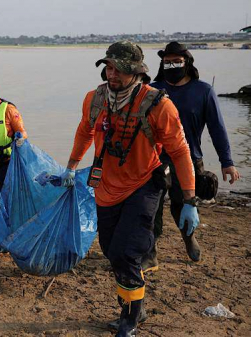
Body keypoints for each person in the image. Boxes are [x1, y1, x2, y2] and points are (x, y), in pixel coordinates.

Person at [62, 41, 198, 336]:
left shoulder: (158, 105)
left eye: (120, 69)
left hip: (144, 185)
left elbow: (180, 151)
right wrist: (71, 167)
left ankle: (130, 319)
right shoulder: (94, 99)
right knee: (112, 251)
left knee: (126, 252)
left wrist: (189, 199)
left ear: (136, 71)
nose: (112, 75)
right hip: (106, 187)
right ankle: (137, 304)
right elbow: (85, 131)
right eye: (109, 67)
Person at [143, 41, 240, 269]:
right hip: (155, 159)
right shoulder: (152, 91)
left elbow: (217, 128)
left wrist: (227, 162)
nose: (172, 65)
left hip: (188, 159)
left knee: (182, 205)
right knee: (151, 207)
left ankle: (189, 239)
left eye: (177, 61)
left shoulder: (203, 91)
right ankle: (150, 253)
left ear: (187, 63)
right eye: (167, 62)